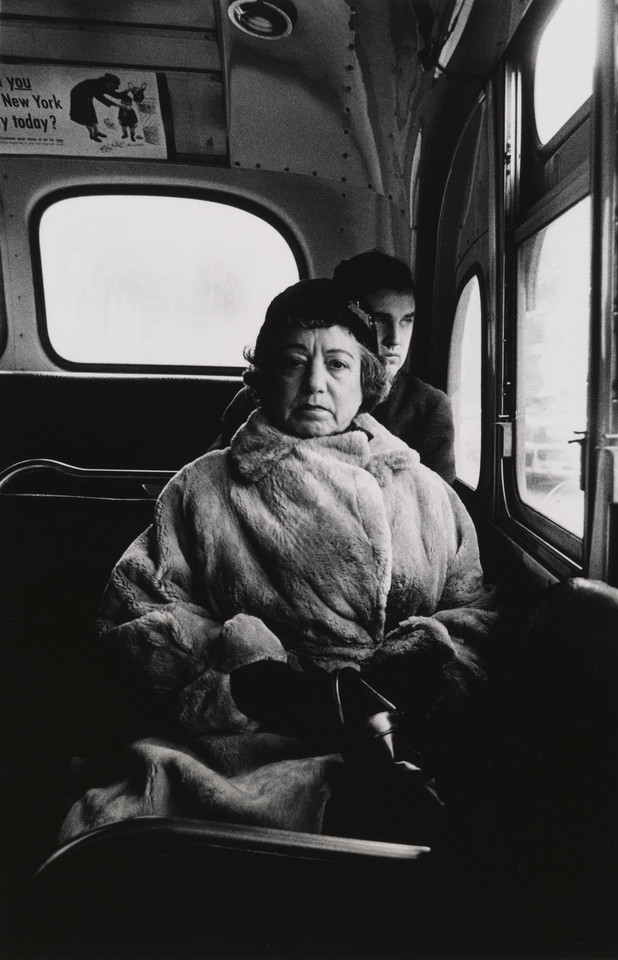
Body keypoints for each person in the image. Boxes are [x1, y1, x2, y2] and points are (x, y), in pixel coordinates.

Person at [59, 279, 495, 845]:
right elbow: (135, 611)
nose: (316, 383)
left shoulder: (424, 490)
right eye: (294, 362)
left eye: (338, 365)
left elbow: (476, 611)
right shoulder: (204, 487)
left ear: (367, 381)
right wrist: (250, 684)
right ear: (262, 377)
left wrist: (420, 671)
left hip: (398, 733)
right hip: (243, 742)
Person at [212, 251, 456, 483]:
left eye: (406, 321)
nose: (395, 339)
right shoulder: (259, 400)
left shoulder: (429, 408)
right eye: (379, 320)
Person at [69, 73, 126, 142]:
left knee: (92, 113)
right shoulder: (97, 85)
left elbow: (117, 95)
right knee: (86, 115)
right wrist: (117, 105)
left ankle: (96, 132)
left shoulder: (105, 85)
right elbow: (102, 98)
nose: (116, 88)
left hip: (87, 95)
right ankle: (92, 135)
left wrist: (129, 90)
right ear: (110, 82)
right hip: (78, 95)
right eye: (115, 85)